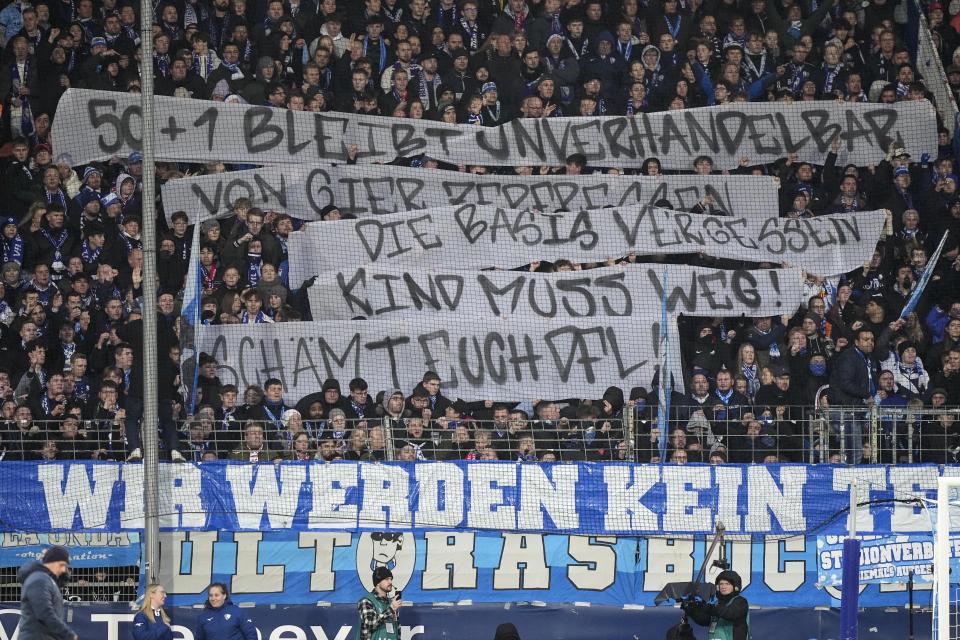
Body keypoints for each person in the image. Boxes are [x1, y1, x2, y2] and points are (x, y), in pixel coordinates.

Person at [18, 545, 78, 640]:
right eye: (61, 565)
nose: (63, 570)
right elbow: (45, 613)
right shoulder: (39, 580)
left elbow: (62, 581)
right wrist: (69, 635)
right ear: (51, 562)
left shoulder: (48, 579)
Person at [682, 570, 750, 640]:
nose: (723, 586)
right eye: (721, 584)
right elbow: (705, 620)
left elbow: (729, 613)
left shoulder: (740, 602)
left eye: (727, 584)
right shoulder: (716, 603)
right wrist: (692, 610)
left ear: (735, 586)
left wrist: (707, 607)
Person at [357, 566, 401, 640]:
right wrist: (391, 609)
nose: (390, 582)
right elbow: (370, 623)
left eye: (391, 579)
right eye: (387, 579)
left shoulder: (391, 602)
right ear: (377, 583)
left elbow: (397, 629)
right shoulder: (366, 601)